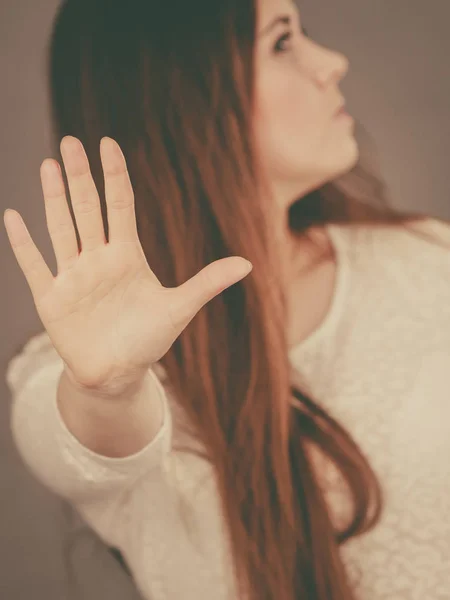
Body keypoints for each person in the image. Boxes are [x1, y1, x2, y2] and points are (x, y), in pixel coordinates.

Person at [3, 0, 450, 598]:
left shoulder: (424, 257)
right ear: (184, 97)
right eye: (282, 42)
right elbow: (80, 443)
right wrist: (108, 388)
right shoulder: (83, 367)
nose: (334, 63)